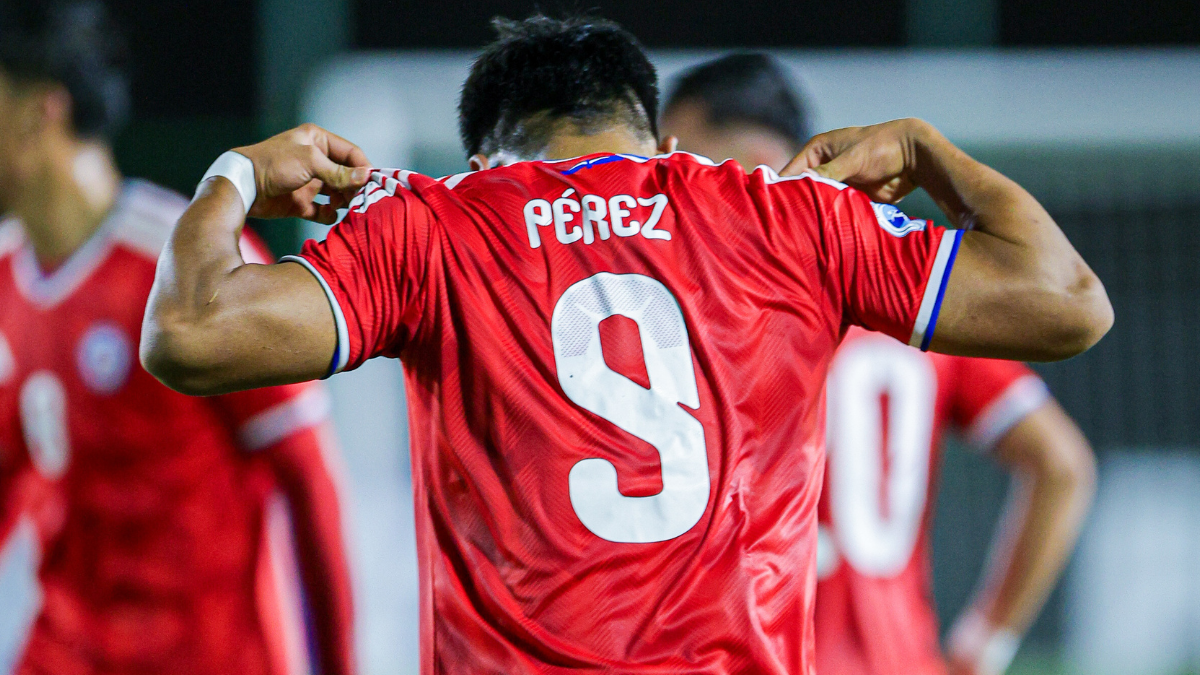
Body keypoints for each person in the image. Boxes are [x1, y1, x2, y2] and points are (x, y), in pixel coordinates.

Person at [139, 14, 1112, 675]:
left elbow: (187, 334)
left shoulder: (436, 224)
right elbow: (1070, 302)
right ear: (652, 139)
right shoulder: (785, 218)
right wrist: (925, 149)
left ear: (486, 157)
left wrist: (232, 177)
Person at [661, 53, 1099, 675]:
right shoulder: (902, 289)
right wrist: (985, 642)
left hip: (771, 654)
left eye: (674, 156)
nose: (662, 173)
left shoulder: (701, 306)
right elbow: (1062, 463)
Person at [0, 3, 355, 674]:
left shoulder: (188, 267)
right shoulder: (5, 278)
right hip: (63, 652)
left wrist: (339, 663)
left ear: (36, 112)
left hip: (210, 654)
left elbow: (308, 479)